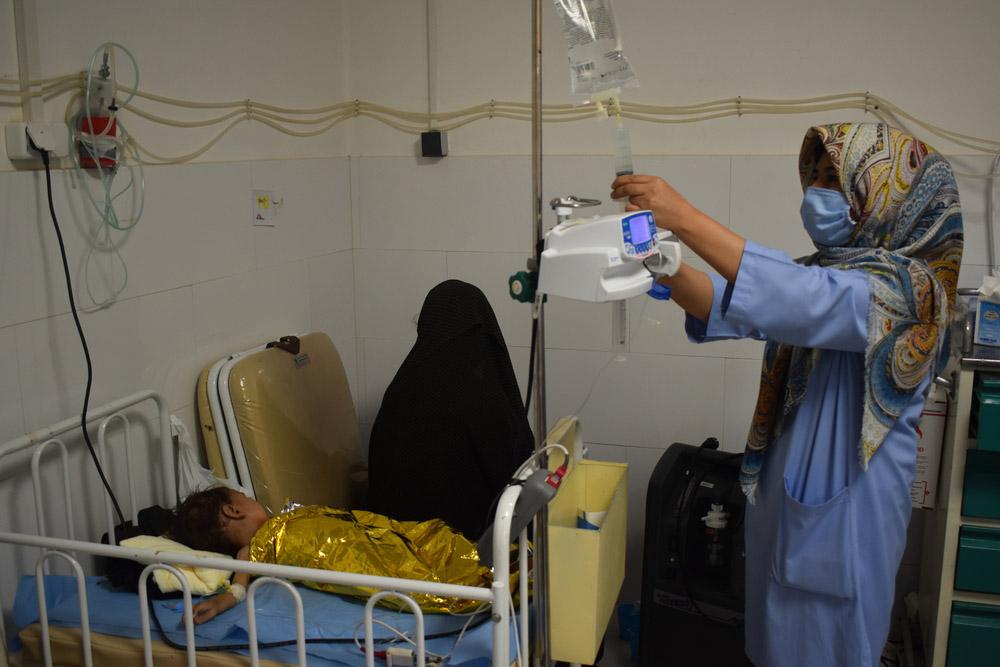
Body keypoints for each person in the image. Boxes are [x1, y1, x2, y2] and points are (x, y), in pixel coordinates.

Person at [611, 123, 963, 667]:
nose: (819, 195)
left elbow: (797, 298)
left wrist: (679, 214)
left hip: (844, 531)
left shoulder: (912, 293)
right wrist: (662, 260)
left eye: (836, 181)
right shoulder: (826, 274)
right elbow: (731, 303)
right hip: (792, 524)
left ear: (886, 195)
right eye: (816, 178)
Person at [169, 487, 491, 623]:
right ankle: (483, 578)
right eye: (247, 498)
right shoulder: (252, 549)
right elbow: (239, 584)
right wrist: (221, 601)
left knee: (420, 541)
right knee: (403, 574)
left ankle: (485, 561)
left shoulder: (286, 519)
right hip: (352, 558)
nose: (256, 502)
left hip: (365, 536)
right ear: (233, 510)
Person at [368, 280, 535, 539]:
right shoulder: (484, 393)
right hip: (464, 547)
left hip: (394, 541)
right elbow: (511, 478)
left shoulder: (402, 387)